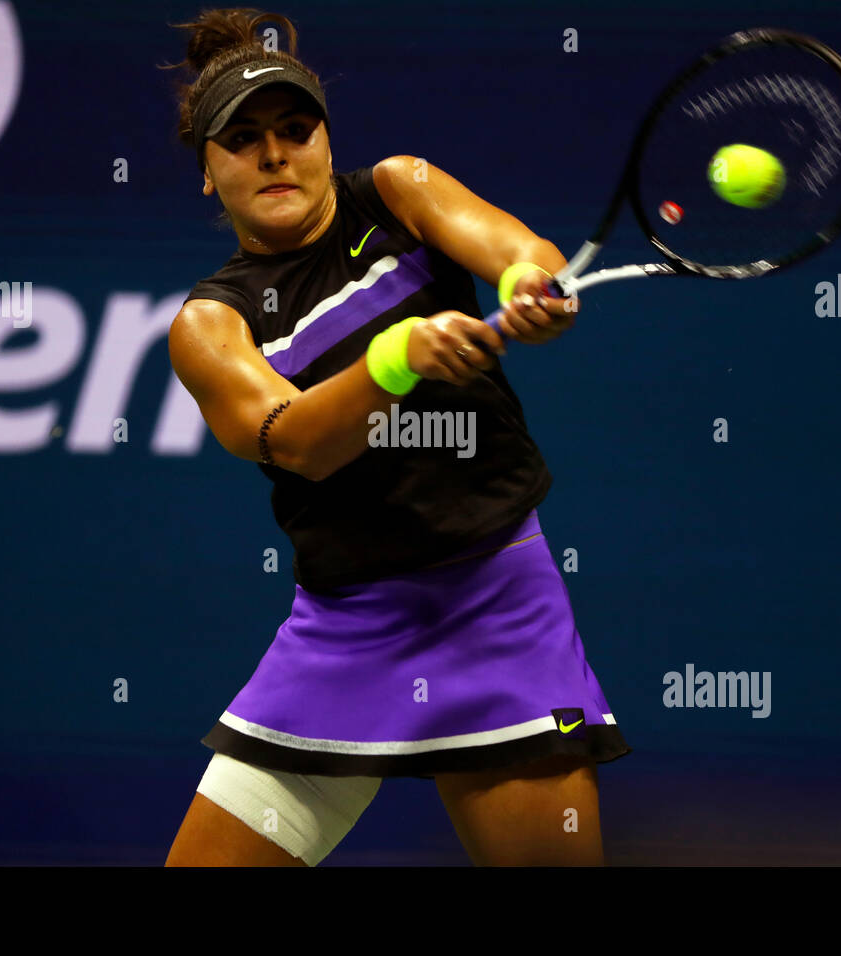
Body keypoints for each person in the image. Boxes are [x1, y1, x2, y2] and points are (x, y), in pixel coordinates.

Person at [162, 8, 630, 867]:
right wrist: (395, 359)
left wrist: (532, 284)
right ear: (207, 172)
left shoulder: (400, 190)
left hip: (500, 605)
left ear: (325, 140)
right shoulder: (209, 324)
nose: (275, 155)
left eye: (295, 131)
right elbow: (296, 439)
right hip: (347, 629)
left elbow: (518, 250)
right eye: (244, 139)